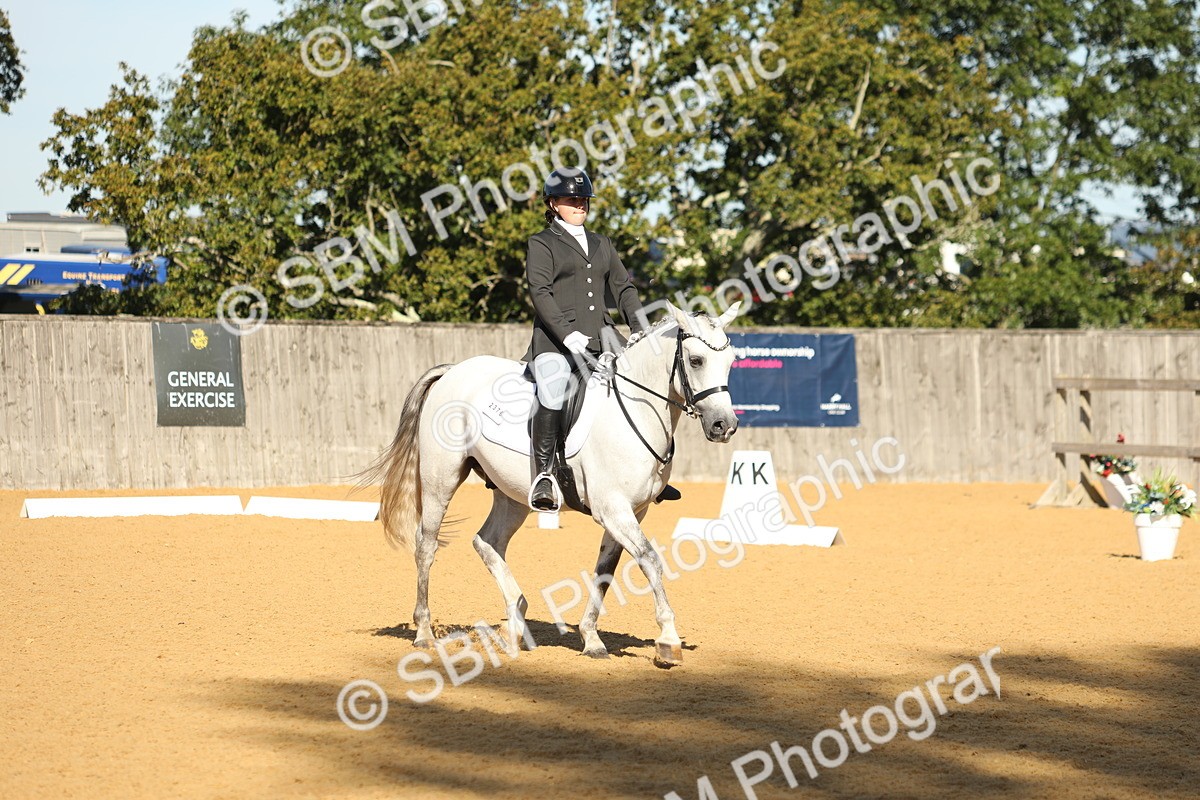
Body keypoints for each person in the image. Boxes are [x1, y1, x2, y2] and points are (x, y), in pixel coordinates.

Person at [523, 166, 654, 512]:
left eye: (583, 199)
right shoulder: (542, 243)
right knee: (553, 389)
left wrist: (641, 329)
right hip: (555, 342)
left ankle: (649, 472)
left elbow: (623, 288)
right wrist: (567, 334)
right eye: (571, 200)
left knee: (643, 382)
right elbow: (540, 292)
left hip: (604, 337)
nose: (579, 204)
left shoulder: (601, 243)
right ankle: (544, 475)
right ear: (553, 203)